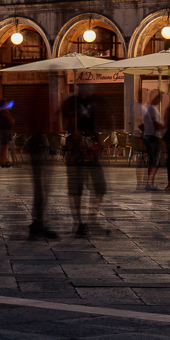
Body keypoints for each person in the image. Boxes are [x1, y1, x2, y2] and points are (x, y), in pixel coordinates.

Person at [61, 89, 107, 235]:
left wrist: (98, 142)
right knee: (77, 188)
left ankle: (92, 220)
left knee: (100, 186)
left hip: (91, 149)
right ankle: (79, 223)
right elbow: (69, 125)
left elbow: (93, 125)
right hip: (77, 151)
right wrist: (79, 143)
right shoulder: (71, 103)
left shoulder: (90, 103)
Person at [139, 91, 164, 190]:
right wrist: (165, 126)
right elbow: (156, 124)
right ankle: (149, 182)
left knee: (156, 160)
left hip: (152, 136)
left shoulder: (148, 108)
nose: (160, 100)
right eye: (159, 97)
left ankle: (151, 182)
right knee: (154, 160)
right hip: (153, 137)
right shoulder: (152, 109)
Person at [0, 104, 15, 168]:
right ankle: (3, 162)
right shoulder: (5, 113)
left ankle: (3, 161)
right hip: (5, 131)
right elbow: (12, 121)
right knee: (4, 147)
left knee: (3, 147)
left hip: (1, 131)